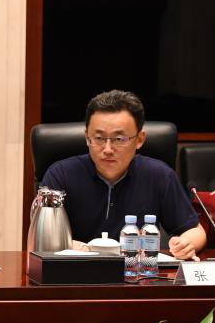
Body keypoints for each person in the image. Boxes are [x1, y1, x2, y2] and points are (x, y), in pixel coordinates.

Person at [40, 89, 205, 260]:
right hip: (75, 271)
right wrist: (88, 250)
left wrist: (185, 244)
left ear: (139, 139)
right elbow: (44, 238)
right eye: (99, 138)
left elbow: (195, 231)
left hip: (137, 272)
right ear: (87, 137)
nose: (108, 149)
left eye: (119, 139)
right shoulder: (60, 174)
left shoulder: (159, 175)